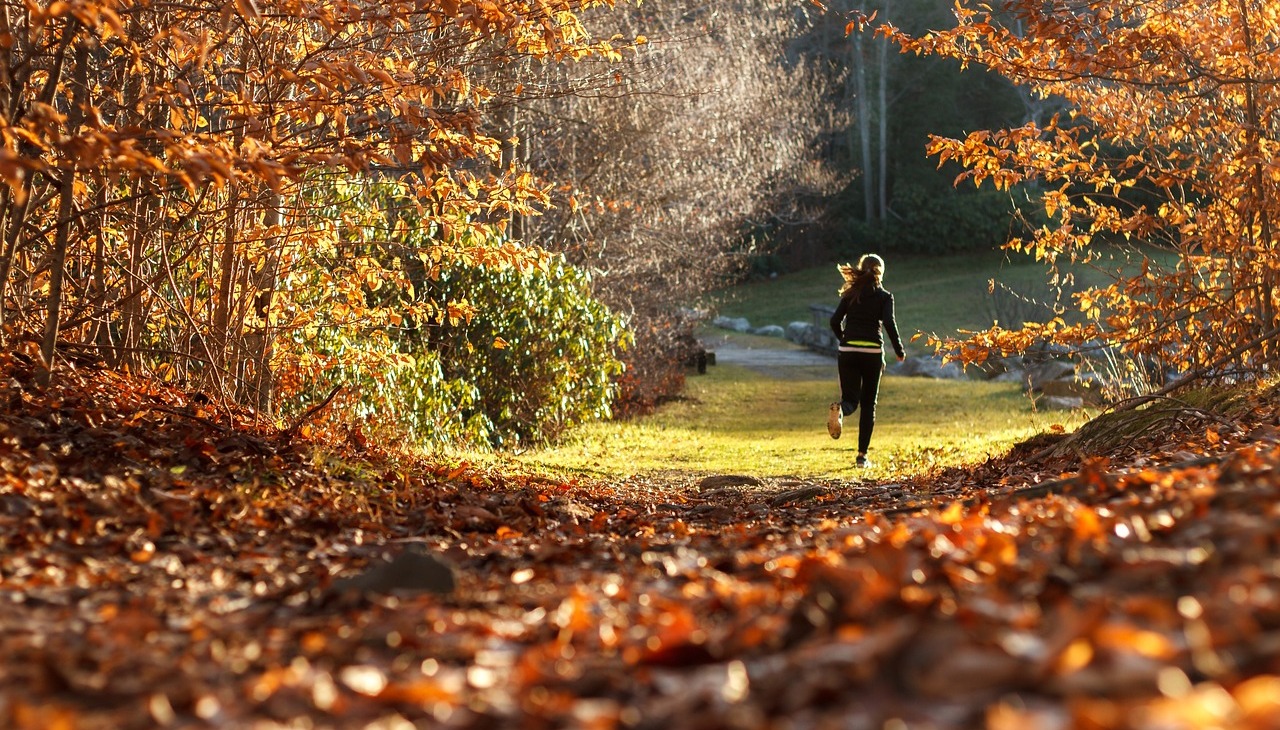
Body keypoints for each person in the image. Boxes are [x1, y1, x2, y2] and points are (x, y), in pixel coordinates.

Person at [827, 254, 905, 468]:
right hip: (872, 354)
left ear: (862, 269)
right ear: (881, 272)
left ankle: (840, 410)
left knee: (850, 400)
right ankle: (862, 457)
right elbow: (889, 323)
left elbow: (834, 321)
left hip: (848, 351)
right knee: (868, 405)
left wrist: (844, 339)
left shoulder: (851, 294)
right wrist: (899, 350)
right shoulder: (884, 297)